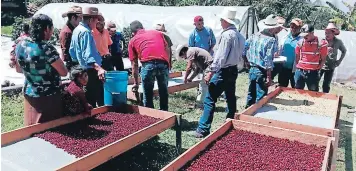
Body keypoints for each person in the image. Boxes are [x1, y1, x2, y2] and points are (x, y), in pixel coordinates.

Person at [191, 8, 245, 138]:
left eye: (221, 20)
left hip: (223, 70)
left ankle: (202, 129)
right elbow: (241, 54)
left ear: (226, 21)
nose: (220, 22)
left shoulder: (226, 35)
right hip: (233, 70)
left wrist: (211, 71)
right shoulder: (239, 36)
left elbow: (220, 57)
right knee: (230, 96)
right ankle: (231, 120)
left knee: (210, 98)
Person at [14, 14, 68, 126]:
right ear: (47, 28)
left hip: (30, 95)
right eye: (52, 29)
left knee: (31, 129)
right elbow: (64, 72)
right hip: (48, 97)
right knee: (49, 132)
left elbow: (19, 70)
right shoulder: (46, 49)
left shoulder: (21, 45)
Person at [243, 14, 284, 108]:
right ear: (272, 28)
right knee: (261, 96)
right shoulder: (271, 40)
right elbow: (268, 59)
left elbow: (244, 49)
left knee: (251, 93)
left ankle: (247, 112)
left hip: (252, 69)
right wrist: (269, 77)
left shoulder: (254, 36)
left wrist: (247, 62)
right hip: (262, 70)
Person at [128, 20, 170, 111]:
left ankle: (151, 116)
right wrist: (168, 64)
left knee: (147, 93)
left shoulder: (132, 41)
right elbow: (167, 48)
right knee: (164, 91)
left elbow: (134, 64)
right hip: (163, 63)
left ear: (132, 32)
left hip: (148, 65)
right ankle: (165, 114)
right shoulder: (157, 33)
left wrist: (136, 83)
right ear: (142, 27)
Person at [69, 7, 106, 108]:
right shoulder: (86, 32)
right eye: (96, 20)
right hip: (91, 71)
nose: (97, 23)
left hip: (83, 69)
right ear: (91, 20)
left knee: (88, 97)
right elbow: (88, 56)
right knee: (95, 98)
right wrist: (99, 69)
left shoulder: (76, 30)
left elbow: (72, 52)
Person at [294, 24, 328, 92]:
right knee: (298, 91)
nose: (305, 37)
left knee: (313, 92)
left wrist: (317, 69)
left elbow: (323, 59)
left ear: (312, 33)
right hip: (300, 71)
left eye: (306, 34)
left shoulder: (321, 43)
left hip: (313, 73)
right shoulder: (300, 42)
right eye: (303, 35)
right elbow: (297, 57)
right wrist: (299, 67)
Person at [320, 23, 347, 93]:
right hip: (320, 65)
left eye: (329, 33)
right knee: (315, 82)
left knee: (326, 85)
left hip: (331, 66)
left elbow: (344, 51)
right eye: (326, 33)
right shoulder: (322, 41)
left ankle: (325, 99)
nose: (327, 34)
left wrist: (339, 61)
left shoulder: (338, 42)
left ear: (333, 33)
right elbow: (316, 51)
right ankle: (316, 97)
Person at [277, 18, 303, 88]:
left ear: (300, 28)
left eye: (296, 27)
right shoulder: (285, 38)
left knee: (296, 88)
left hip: (295, 69)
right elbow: (279, 50)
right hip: (283, 68)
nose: (293, 29)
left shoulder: (302, 39)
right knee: (281, 87)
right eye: (292, 27)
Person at [59, 6, 83, 70]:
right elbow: (66, 53)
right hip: (73, 65)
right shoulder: (67, 32)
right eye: (80, 18)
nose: (81, 20)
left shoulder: (74, 30)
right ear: (73, 17)